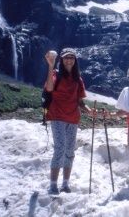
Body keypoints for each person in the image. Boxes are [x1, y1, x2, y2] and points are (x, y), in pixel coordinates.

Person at [44, 48, 93, 195]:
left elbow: (80, 102)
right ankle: (53, 184)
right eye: (66, 58)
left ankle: (65, 183)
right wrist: (51, 66)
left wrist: (90, 111)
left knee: (69, 151)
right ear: (62, 60)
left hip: (73, 118)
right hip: (57, 116)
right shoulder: (55, 75)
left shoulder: (78, 79)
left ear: (75, 60)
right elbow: (49, 88)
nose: (69, 60)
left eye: (72, 57)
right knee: (60, 149)